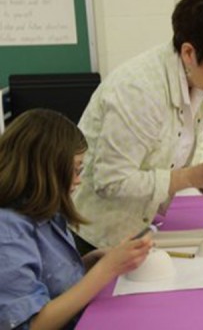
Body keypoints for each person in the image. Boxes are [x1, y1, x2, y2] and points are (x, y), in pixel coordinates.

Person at [72, 0, 203, 251]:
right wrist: (192, 177)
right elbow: (111, 181)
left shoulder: (197, 78)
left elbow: (191, 140)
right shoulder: (139, 92)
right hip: (94, 237)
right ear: (189, 53)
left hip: (135, 229)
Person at [0, 109, 152, 330]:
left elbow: (50, 278)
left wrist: (92, 261)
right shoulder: (7, 232)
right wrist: (106, 269)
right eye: (74, 170)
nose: (79, 180)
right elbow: (31, 324)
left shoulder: (44, 210)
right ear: (45, 170)